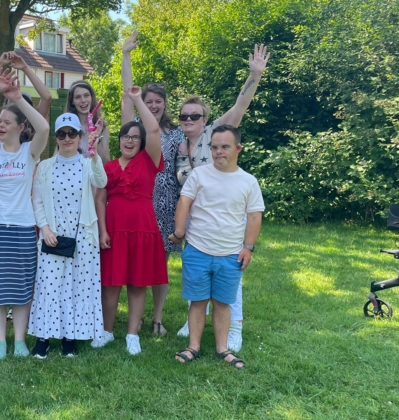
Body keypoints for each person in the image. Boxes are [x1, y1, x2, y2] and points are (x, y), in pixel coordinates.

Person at [173, 44, 270, 352]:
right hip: (197, 218)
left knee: (229, 279)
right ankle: (194, 324)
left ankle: (234, 329)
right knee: (198, 273)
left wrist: (254, 75)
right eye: (184, 115)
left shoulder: (215, 134)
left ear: (206, 119)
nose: (189, 119)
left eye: (195, 115)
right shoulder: (178, 146)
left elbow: (240, 106)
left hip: (226, 211)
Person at [0, 68, 50, 359]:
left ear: (20, 127)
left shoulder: (30, 151)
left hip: (22, 228)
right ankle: (1, 342)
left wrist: (18, 98)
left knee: (21, 287)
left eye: (7, 122)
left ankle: (19, 341)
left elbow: (44, 129)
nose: (1, 125)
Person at [169, 125, 264, 369]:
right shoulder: (199, 175)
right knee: (197, 301)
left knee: (223, 303)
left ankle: (223, 349)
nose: (219, 152)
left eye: (225, 147)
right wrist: (179, 232)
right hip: (198, 250)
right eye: (214, 147)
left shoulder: (248, 182)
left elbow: (254, 216)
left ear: (238, 149)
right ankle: (193, 346)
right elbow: (184, 202)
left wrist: (248, 248)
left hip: (230, 255)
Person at [120, 30, 184, 337]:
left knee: (159, 264)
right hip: (137, 199)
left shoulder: (175, 133)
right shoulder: (136, 133)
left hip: (166, 202)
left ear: (165, 104)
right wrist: (126, 55)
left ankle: (157, 317)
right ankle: (135, 316)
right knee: (134, 262)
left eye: (158, 101)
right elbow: (126, 95)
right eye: (149, 101)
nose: (154, 106)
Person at [95, 86, 167, 355]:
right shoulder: (109, 166)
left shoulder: (149, 160)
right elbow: (100, 200)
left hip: (142, 229)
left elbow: (155, 131)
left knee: (138, 284)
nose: (128, 140)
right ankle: (107, 331)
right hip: (113, 229)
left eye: (135, 137)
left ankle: (132, 335)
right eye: (125, 136)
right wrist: (102, 230)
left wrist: (137, 100)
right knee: (110, 284)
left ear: (141, 141)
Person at [29, 113, 106, 358]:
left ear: (80, 136)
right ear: (56, 138)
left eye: (72, 133)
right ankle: (43, 337)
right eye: (62, 134)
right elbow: (37, 200)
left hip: (83, 235)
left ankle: (69, 337)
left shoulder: (87, 163)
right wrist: (45, 229)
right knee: (49, 286)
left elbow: (101, 182)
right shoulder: (45, 166)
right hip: (53, 236)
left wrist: (94, 156)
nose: (67, 138)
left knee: (77, 288)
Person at [65, 80, 111, 164]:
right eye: (78, 97)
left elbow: (106, 163)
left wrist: (96, 140)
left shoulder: (103, 127)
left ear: (91, 98)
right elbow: (57, 156)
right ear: (72, 101)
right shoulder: (66, 127)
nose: (83, 100)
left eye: (86, 95)